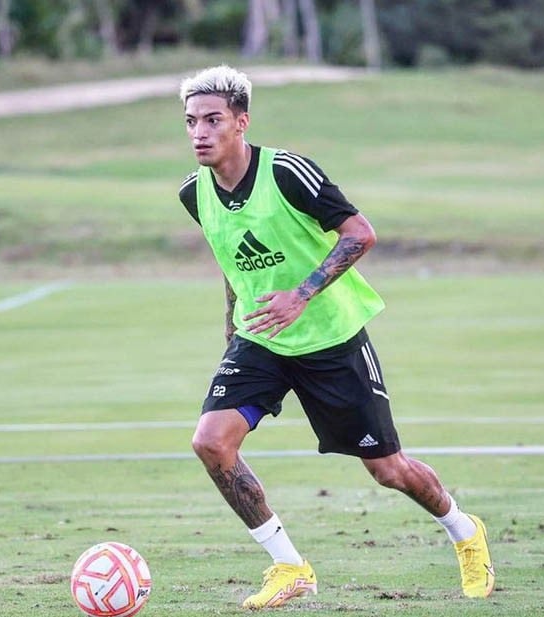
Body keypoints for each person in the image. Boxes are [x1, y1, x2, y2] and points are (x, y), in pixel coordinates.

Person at [177, 65, 494, 609]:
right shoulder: (194, 193)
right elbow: (232, 263)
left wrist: (300, 295)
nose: (199, 132)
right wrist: (232, 330)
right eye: (190, 122)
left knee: (388, 470)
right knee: (211, 442)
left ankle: (464, 532)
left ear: (241, 122)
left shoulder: (286, 173)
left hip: (331, 338)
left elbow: (360, 233)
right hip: (262, 340)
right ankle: (289, 566)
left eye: (212, 120)